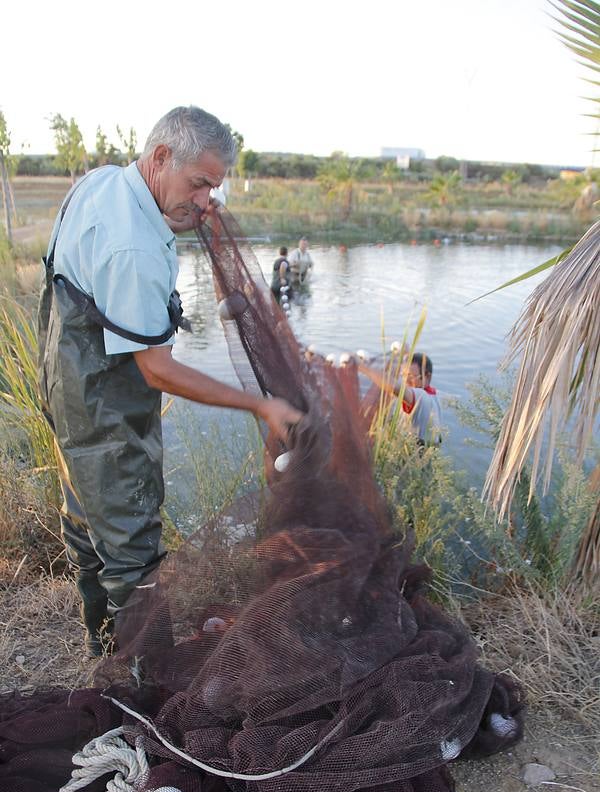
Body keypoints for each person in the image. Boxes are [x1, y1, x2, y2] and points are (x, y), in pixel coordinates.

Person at [39, 106, 302, 657]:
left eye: (214, 188)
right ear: (160, 157)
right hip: (101, 403)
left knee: (88, 519)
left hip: (65, 385)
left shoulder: (105, 180)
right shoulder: (133, 247)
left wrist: (192, 205)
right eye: (199, 183)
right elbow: (155, 368)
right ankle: (140, 682)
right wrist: (257, 404)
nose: (206, 200)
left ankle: (102, 650)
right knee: (132, 549)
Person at [359, 351, 442, 446]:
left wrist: (363, 367)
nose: (405, 380)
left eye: (410, 376)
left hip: (414, 455)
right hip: (430, 451)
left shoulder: (421, 396)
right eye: (403, 375)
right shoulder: (435, 395)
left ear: (427, 376)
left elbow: (396, 387)